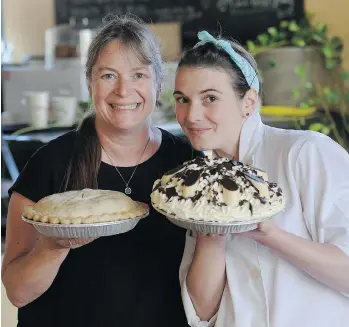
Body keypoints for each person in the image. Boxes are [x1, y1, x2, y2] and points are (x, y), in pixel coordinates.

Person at [1, 15, 201, 327]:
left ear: (159, 83)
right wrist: (53, 246)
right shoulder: (50, 164)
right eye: (108, 75)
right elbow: (17, 292)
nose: (123, 90)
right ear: (90, 83)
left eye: (138, 75)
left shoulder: (188, 165)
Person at [173, 31, 349, 327]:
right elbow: (202, 313)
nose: (192, 115)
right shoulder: (196, 185)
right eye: (183, 99)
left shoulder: (305, 153)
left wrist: (271, 235)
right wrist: (212, 233)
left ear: (249, 101)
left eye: (210, 98)